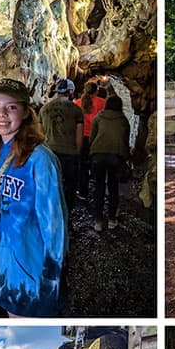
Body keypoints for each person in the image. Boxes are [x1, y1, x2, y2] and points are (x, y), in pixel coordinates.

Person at [0, 78, 67, 318]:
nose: (1, 114)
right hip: (0, 275)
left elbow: (54, 228)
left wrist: (50, 286)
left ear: (25, 112)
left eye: (11, 107)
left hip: (31, 279)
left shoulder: (40, 160)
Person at [39, 77, 84, 210]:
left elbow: (40, 134)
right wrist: (78, 152)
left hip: (49, 153)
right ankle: (66, 215)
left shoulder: (44, 109)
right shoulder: (76, 110)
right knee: (69, 187)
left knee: (50, 185)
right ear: (70, 92)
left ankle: (49, 214)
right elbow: (79, 135)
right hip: (69, 154)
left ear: (57, 91)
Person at [89, 94, 131, 232]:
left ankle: (98, 221)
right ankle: (112, 218)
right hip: (116, 157)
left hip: (98, 155)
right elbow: (126, 140)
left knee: (98, 187)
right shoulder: (123, 120)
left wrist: (93, 151)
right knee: (113, 188)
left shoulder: (99, 117)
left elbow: (92, 137)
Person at [74, 78, 107, 201]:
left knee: (83, 165)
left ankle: (83, 191)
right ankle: (98, 194)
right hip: (97, 138)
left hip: (81, 137)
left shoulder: (77, 103)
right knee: (97, 165)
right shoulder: (102, 103)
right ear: (96, 91)